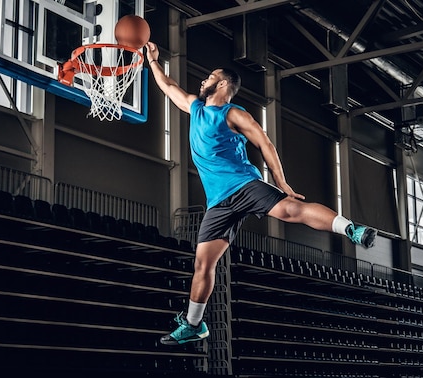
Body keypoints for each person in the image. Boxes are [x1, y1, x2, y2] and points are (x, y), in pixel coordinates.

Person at [144, 42, 377, 345]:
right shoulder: (196, 108)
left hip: (243, 185)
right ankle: (194, 323)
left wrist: (283, 184)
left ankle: (352, 229)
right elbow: (169, 85)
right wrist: (152, 62)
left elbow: (264, 142)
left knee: (291, 210)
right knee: (203, 264)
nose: (203, 80)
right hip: (218, 203)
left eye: (210, 76)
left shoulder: (232, 113)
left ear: (224, 83)